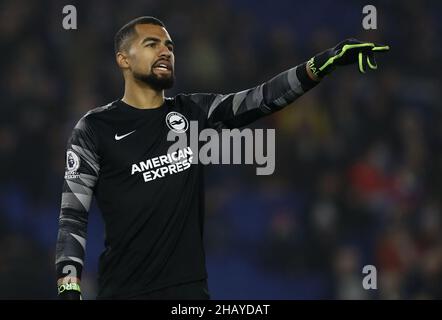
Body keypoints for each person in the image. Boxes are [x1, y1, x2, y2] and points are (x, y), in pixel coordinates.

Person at [55, 16, 389, 300]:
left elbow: (262, 98)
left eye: (170, 45)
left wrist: (321, 64)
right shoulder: (94, 128)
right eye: (152, 43)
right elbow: (73, 215)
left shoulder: (192, 111)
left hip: (190, 293)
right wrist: (69, 286)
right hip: (124, 291)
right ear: (123, 59)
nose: (166, 51)